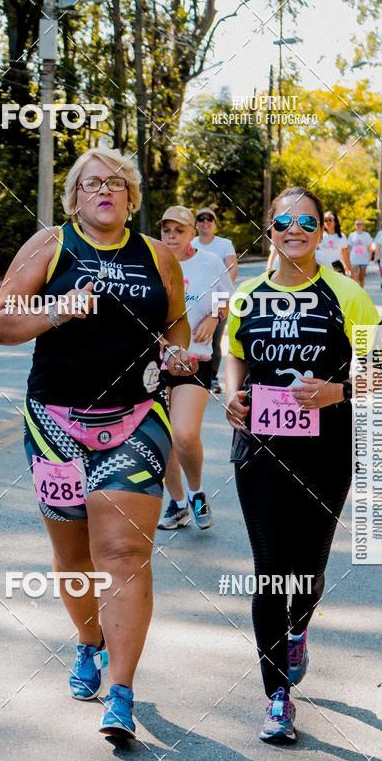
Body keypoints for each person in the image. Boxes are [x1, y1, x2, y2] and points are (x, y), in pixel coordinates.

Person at [0, 146, 197, 740]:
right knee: (74, 556)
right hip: (54, 424)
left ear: (132, 197)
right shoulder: (50, 247)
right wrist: (56, 310)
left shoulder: (157, 255)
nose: (103, 191)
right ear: (75, 196)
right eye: (90, 184)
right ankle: (88, 640)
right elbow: (2, 325)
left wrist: (174, 350)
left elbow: (175, 320)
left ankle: (123, 691)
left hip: (135, 418)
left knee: (123, 555)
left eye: (116, 184)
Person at [225, 185, 382, 743]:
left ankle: (299, 628)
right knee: (271, 568)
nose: (293, 230)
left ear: (321, 231)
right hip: (258, 452)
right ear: (269, 230)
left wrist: (337, 392)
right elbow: (236, 352)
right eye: (282, 222)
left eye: (306, 221)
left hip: (326, 452)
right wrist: (233, 396)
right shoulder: (246, 295)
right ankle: (277, 695)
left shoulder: (347, 294)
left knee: (310, 566)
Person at [157, 205, 232, 531]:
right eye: (166, 231)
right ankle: (176, 503)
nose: (172, 237)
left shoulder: (209, 263)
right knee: (161, 439)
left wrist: (214, 318)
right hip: (155, 362)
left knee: (184, 433)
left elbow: (225, 300)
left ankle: (196, 491)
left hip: (194, 361)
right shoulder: (153, 262)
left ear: (192, 234)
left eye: (179, 231)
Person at [192, 207, 238, 394]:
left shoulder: (224, 244)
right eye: (200, 219)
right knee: (192, 338)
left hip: (217, 300)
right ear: (195, 224)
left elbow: (232, 270)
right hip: (192, 300)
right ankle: (192, 375)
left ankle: (211, 378)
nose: (205, 222)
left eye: (209, 219)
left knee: (214, 340)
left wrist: (219, 300)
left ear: (215, 224)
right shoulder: (191, 242)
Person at [315, 209, 351, 275]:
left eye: (330, 219)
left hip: (337, 267)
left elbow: (345, 256)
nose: (328, 222)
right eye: (325, 220)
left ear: (336, 222)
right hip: (323, 268)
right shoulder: (319, 236)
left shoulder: (341, 236)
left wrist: (349, 270)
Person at [347, 219, 373, 287]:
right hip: (354, 259)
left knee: (362, 277)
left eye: (360, 224)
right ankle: (355, 292)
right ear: (355, 225)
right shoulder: (351, 235)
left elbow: (370, 247)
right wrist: (347, 258)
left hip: (364, 258)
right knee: (354, 277)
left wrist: (370, 256)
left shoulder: (366, 235)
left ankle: (362, 291)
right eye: (357, 224)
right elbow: (349, 248)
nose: (358, 226)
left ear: (363, 226)